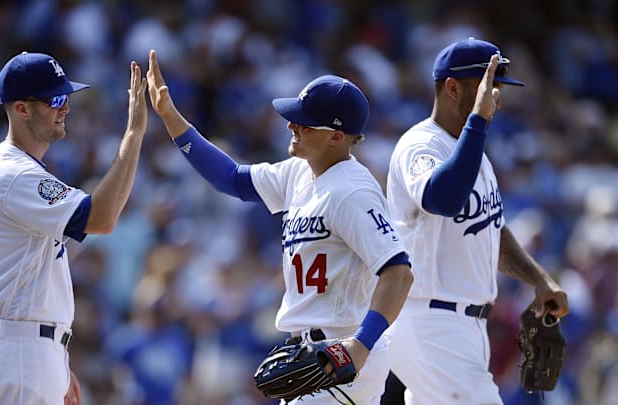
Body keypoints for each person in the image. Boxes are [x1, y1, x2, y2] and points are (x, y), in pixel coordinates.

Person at [146, 49, 414, 403]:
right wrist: (171, 117)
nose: (291, 125)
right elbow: (232, 179)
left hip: (341, 354)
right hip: (312, 351)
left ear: (336, 136)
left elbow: (399, 273)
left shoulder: (352, 192)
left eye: (305, 122)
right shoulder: (300, 173)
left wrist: (361, 346)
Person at [383, 38, 570, 404]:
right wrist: (478, 122)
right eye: (487, 86)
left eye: (497, 88)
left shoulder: (475, 158)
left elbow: (492, 229)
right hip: (428, 319)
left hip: (466, 326)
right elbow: (444, 199)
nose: (496, 97)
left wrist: (539, 279)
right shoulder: (419, 145)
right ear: (452, 88)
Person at [0, 51, 148, 404]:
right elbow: (101, 218)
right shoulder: (15, 173)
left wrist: (55, 354)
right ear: (22, 109)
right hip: (18, 353)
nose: (66, 108)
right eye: (55, 99)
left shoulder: (9, 167)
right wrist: (134, 133)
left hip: (23, 349)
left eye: (66, 98)